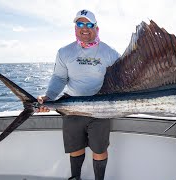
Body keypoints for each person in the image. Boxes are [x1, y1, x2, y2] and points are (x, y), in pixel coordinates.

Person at [36, 9, 120, 180]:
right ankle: (75, 177)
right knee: (75, 148)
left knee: (99, 149)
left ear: (96, 28)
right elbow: (59, 78)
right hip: (71, 106)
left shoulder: (110, 53)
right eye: (80, 24)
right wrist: (49, 97)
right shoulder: (64, 52)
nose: (84, 28)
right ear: (75, 28)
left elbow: (122, 80)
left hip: (100, 109)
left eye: (89, 24)